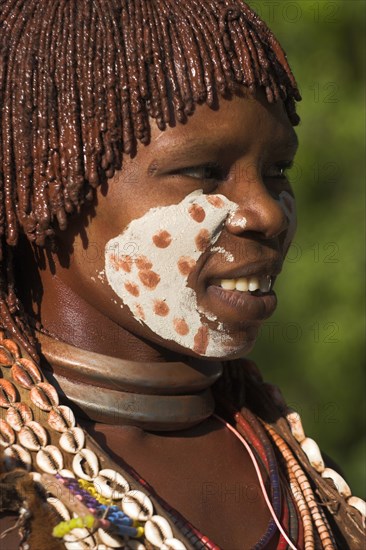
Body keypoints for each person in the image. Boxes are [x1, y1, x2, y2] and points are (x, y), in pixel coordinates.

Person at [0, 1, 364, 549]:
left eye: (276, 171)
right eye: (202, 172)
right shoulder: (17, 503)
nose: (264, 213)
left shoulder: (299, 475)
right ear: (44, 186)